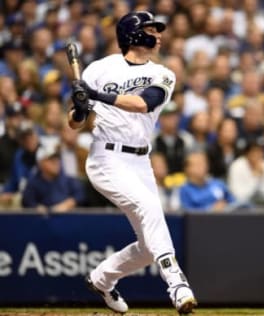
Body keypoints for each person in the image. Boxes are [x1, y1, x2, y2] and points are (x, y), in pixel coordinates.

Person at [67, 11, 197, 314]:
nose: (159, 35)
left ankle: (101, 279)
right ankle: (176, 283)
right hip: (105, 157)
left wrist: (96, 95)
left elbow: (142, 104)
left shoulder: (163, 74)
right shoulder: (99, 69)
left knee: (148, 245)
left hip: (140, 161)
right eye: (152, 29)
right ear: (133, 34)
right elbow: (74, 124)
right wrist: (80, 108)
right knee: (150, 209)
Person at [21, 144, 85, 212]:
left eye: (57, 158)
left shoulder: (68, 180)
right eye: (51, 159)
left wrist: (69, 203)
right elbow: (27, 201)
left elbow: (81, 195)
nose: (56, 162)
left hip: (68, 219)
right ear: (40, 163)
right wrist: (37, 208)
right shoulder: (33, 183)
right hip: (44, 221)